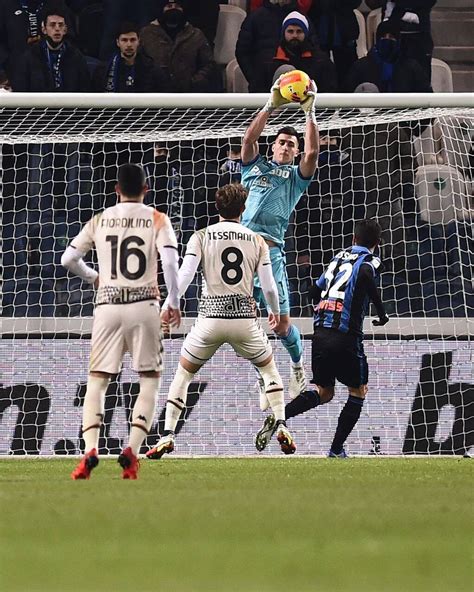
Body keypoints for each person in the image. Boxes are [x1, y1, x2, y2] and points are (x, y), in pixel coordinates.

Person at [146, 183, 296, 459]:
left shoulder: (200, 236)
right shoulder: (257, 240)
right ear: (244, 209)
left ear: (217, 207)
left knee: (183, 374)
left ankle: (167, 434)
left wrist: (170, 305)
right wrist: (274, 310)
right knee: (269, 370)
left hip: (210, 320)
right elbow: (270, 287)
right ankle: (282, 424)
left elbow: (183, 277)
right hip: (244, 320)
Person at [64, 163, 180, 480]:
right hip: (144, 304)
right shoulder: (158, 219)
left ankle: (90, 449)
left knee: (98, 381)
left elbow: (68, 259)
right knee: (149, 380)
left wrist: (94, 277)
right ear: (146, 189)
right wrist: (173, 301)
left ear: (117, 189)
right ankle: (131, 451)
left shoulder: (100, 220)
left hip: (108, 305)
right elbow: (170, 261)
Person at [255, 219, 390, 457]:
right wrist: (381, 312)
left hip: (321, 333)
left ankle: (280, 417)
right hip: (346, 336)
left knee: (324, 391)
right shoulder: (370, 260)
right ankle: (336, 449)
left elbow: (313, 291)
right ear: (377, 244)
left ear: (353, 239)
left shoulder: (337, 258)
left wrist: (324, 307)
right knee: (358, 391)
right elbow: (367, 275)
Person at [240, 75, 319, 402]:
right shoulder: (253, 168)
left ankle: (299, 368)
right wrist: (271, 106)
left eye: (291, 144)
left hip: (271, 256)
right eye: (281, 142)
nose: (286, 146)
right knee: (248, 324)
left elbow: (313, 152)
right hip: (243, 253)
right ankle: (264, 376)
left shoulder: (295, 179)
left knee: (282, 326)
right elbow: (247, 140)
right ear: (273, 146)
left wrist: (309, 112)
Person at [140, 0, 218, 93]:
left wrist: (194, 82)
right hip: (155, 96)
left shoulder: (196, 35)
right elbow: (139, 62)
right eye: (169, 6)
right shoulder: (146, 34)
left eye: (177, 6)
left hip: (188, 96)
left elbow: (208, 64)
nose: (173, 9)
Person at [11, 3, 90, 91]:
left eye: (60, 25)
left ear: (65, 30)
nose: (57, 29)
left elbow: (85, 89)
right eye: (52, 25)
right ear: (44, 29)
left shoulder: (76, 57)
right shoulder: (30, 57)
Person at [258, 10, 338, 92]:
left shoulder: (321, 60)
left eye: (299, 31)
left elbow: (330, 89)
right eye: (290, 31)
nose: (295, 35)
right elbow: (258, 88)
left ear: (306, 34)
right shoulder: (269, 60)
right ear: (283, 33)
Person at [345, 19, 432, 92]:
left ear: (398, 41)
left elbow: (425, 94)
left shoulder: (411, 67)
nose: (387, 40)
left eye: (391, 37)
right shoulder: (360, 66)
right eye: (383, 37)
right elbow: (347, 95)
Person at [236, 0, 300, 93]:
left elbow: (313, 51)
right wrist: (254, 79)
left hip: (297, 87)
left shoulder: (300, 18)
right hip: (261, 87)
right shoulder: (255, 17)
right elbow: (242, 52)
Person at [366, 0, 436, 83]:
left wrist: (399, 11)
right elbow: (372, 3)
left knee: (418, 82)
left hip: (416, 37)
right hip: (389, 35)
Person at [92, 22, 169, 92]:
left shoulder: (153, 69)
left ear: (138, 41)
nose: (129, 44)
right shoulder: (103, 70)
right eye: (124, 40)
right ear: (118, 43)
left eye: (132, 40)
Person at [307, 0, 361, 91]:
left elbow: (355, 3)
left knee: (348, 77)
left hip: (344, 31)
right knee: (321, 76)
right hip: (318, 30)